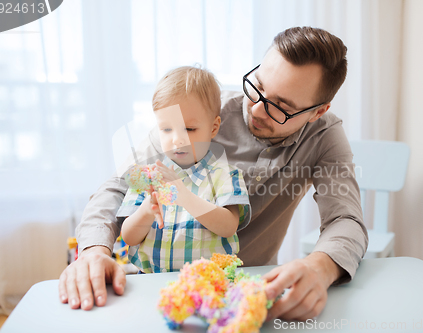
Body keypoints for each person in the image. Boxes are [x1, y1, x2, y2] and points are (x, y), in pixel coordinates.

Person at [59, 26, 368, 322]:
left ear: (318, 112)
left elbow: (346, 219)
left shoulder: (324, 136)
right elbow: (118, 186)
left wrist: (320, 266)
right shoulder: (200, 112)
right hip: (163, 283)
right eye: (258, 86)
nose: (257, 110)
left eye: (281, 107)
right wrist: (94, 251)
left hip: (250, 291)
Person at [119, 66, 251, 274]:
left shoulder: (225, 174)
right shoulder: (149, 176)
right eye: (166, 129)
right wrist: (147, 209)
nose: (177, 139)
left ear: (213, 128)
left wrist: (185, 196)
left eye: (189, 129)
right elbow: (128, 237)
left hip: (207, 283)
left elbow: (228, 227)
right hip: (151, 280)